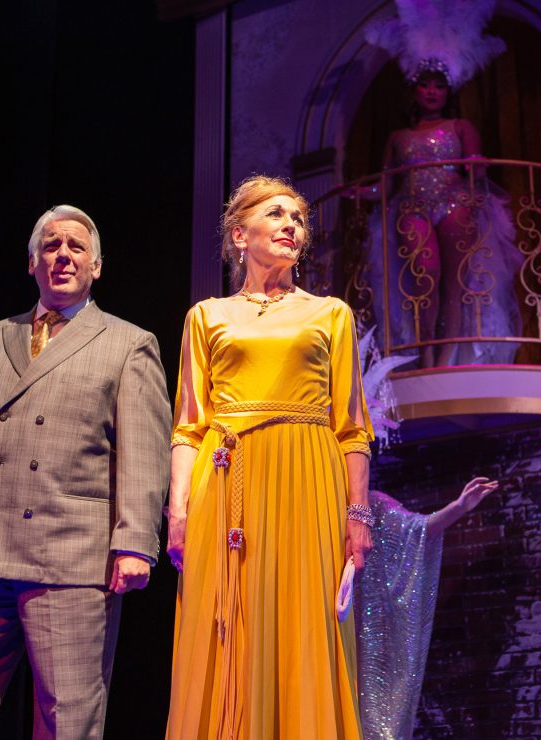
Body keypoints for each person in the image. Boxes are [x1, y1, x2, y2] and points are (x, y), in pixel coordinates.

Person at [0, 205, 172, 739]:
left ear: (96, 266)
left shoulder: (129, 343)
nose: (63, 255)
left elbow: (143, 455)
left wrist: (134, 542)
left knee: (67, 719)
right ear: (32, 262)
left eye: (76, 247)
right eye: (51, 246)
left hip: (72, 558)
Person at [164, 175, 375, 739]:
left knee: (304, 621)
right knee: (226, 624)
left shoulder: (330, 314)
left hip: (308, 480)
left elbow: (352, 427)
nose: (291, 226)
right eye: (276, 214)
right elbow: (188, 425)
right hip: (226, 480)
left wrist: (357, 514)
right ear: (240, 234)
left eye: (298, 219)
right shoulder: (205, 316)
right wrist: (178, 511)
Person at [359, 1, 519, 368]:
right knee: (424, 278)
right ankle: (426, 353)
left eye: (439, 86)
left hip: (454, 203)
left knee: (455, 282)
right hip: (411, 207)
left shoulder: (461, 127)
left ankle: (446, 357)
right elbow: (385, 184)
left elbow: (475, 169)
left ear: (448, 92)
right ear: (414, 90)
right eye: (425, 85)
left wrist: (478, 169)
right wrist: (363, 193)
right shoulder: (399, 137)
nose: (431, 92)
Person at [355, 476, 498, 740]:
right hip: (320, 631)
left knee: (372, 718)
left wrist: (459, 506)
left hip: (367, 638)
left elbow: (417, 530)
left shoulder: (370, 504)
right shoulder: (308, 514)